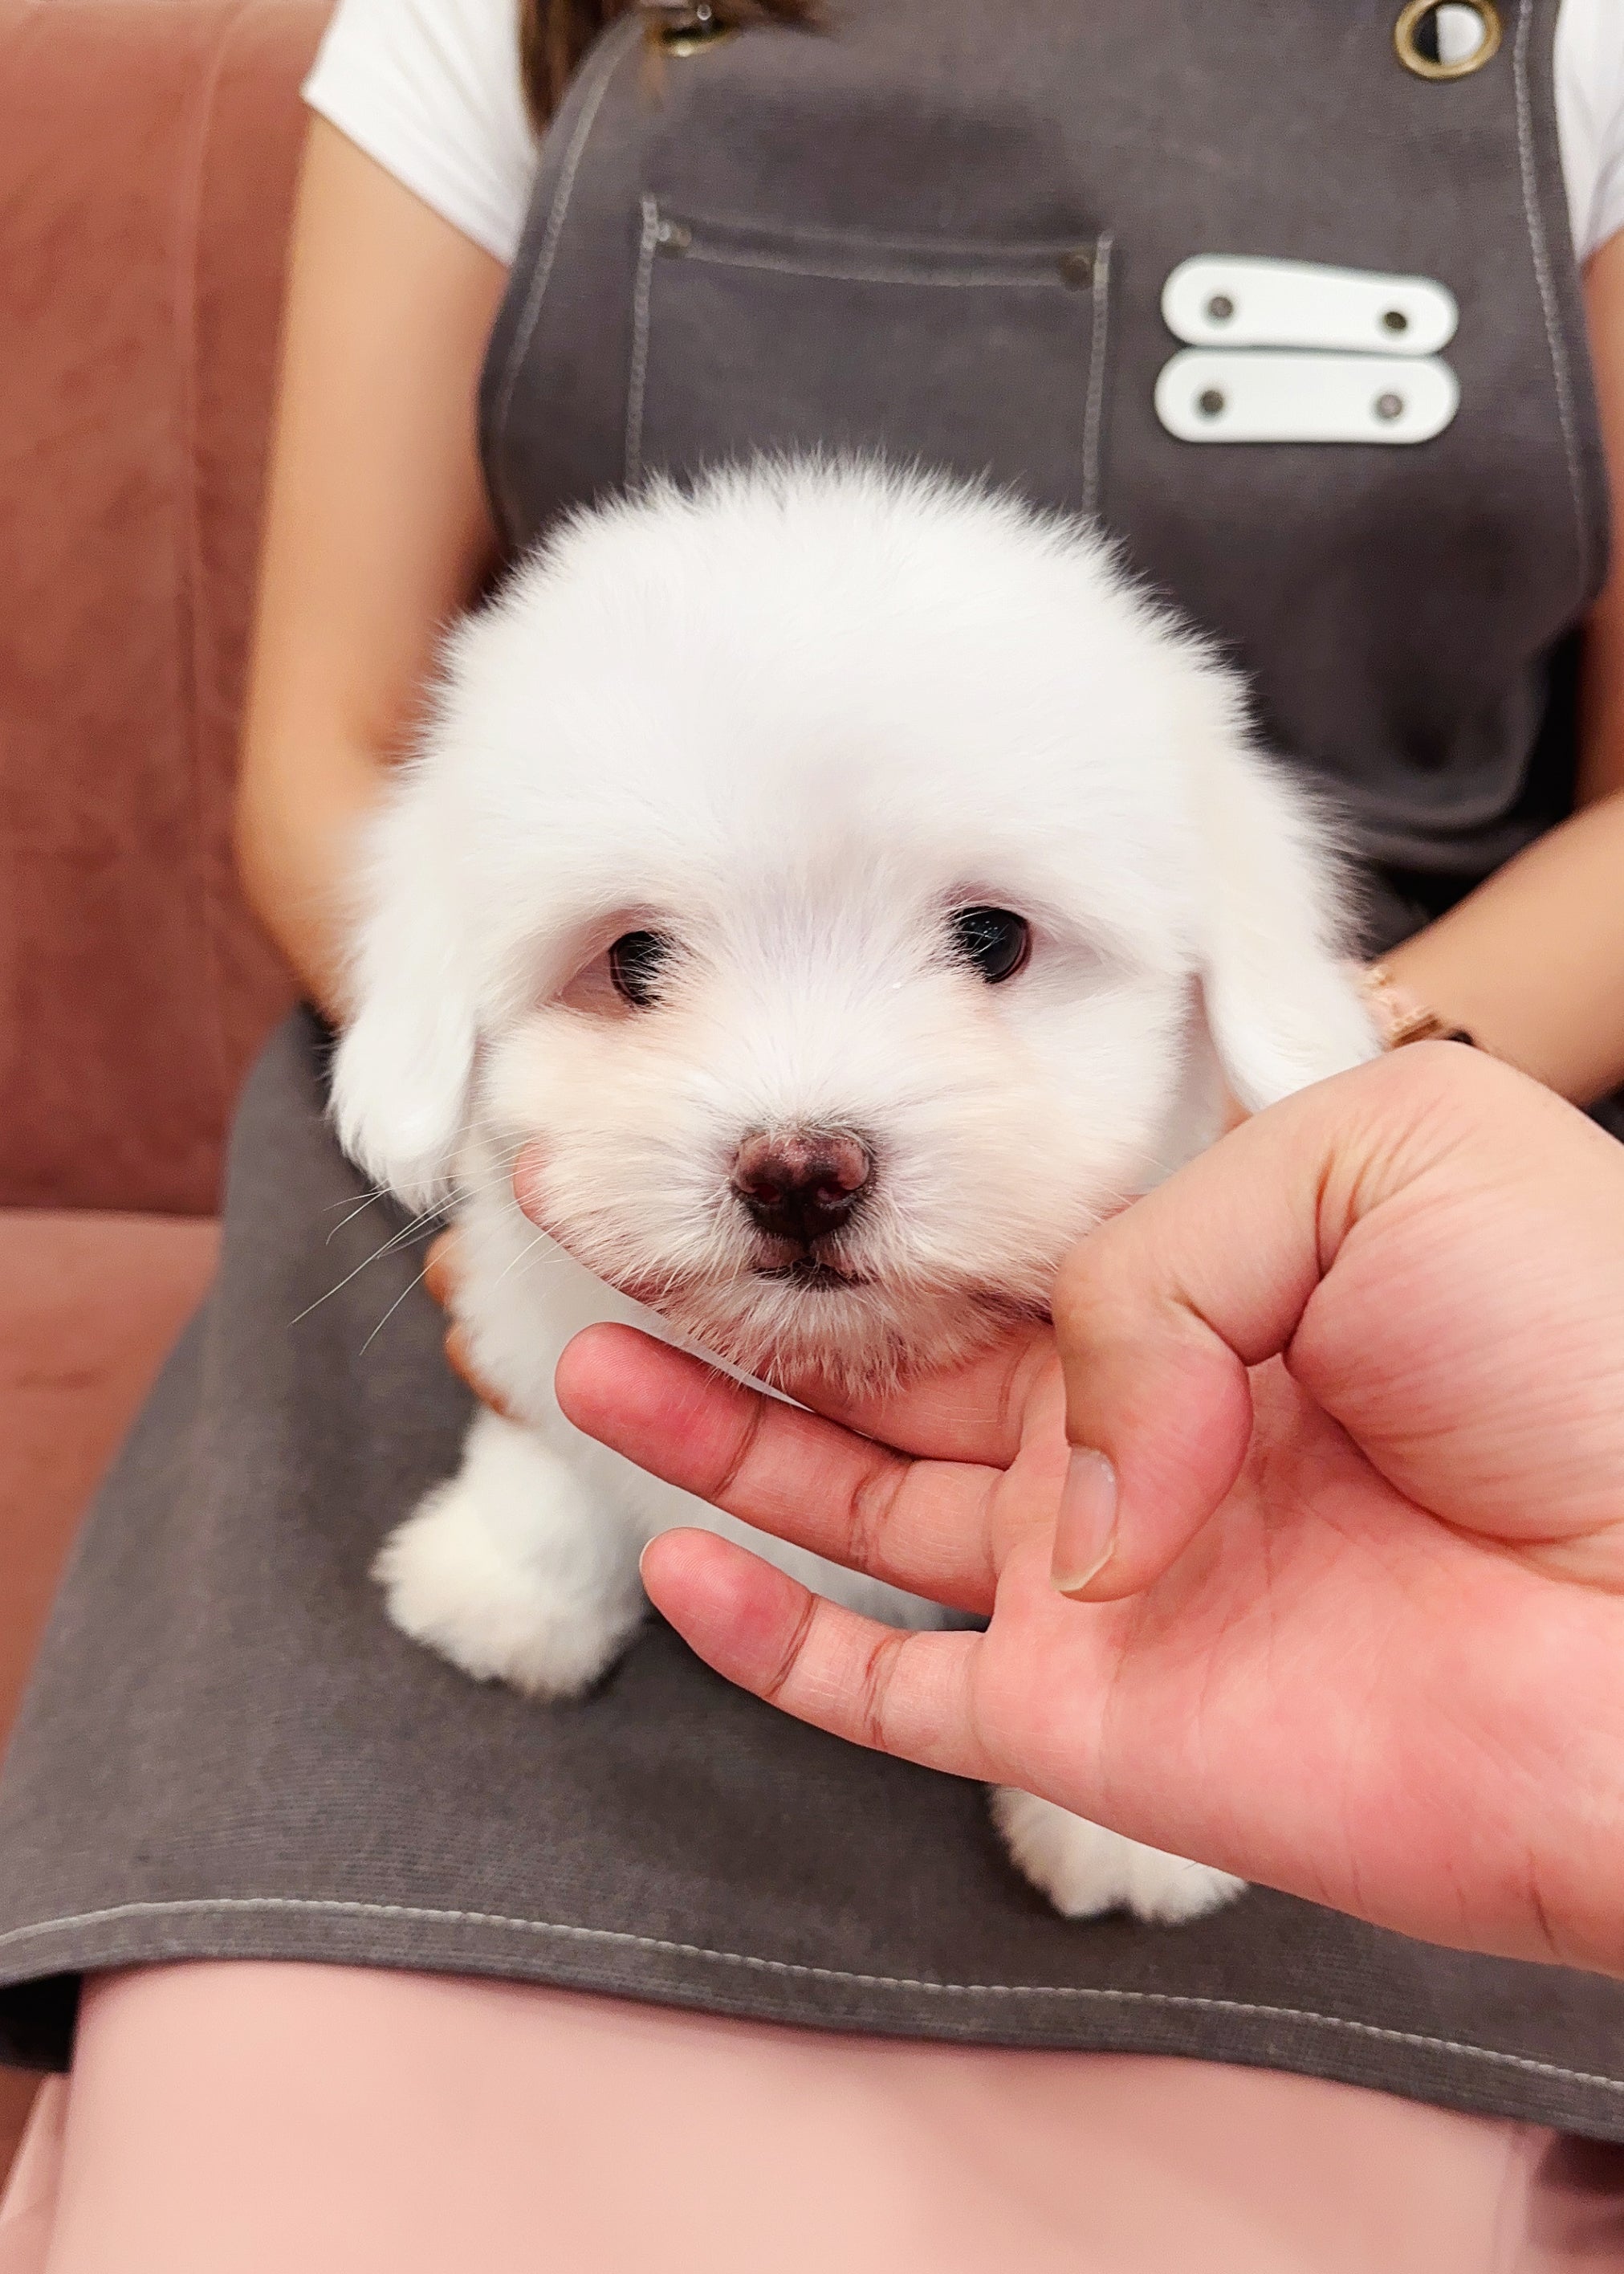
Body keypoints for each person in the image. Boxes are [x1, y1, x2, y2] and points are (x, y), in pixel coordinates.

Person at [4, 1, 1624, 2266]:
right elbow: (355, 762)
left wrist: (1315, 1109)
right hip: (524, 1180)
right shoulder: (482, 20)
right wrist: (482, 1116)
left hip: (1349, 1100)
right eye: (653, 954)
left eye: (979, 935)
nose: (810, 1131)